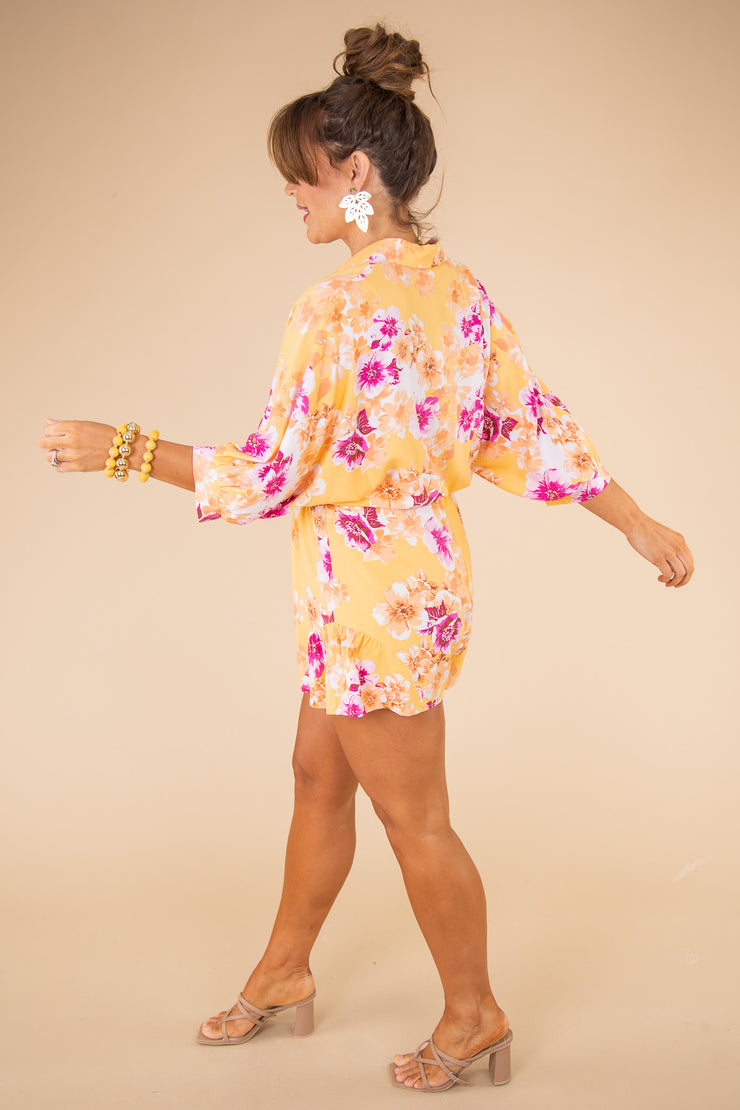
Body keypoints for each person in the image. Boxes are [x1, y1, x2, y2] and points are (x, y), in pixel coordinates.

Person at [38, 24, 694, 1093]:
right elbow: (528, 429)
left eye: (300, 174)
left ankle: (474, 1015)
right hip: (398, 579)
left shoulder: (335, 308)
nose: (289, 194)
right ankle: (285, 969)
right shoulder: (457, 290)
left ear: (354, 173)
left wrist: (123, 448)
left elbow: (271, 472)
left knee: (414, 819)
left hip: (371, 596)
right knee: (316, 774)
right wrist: (633, 520)